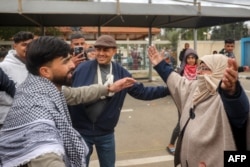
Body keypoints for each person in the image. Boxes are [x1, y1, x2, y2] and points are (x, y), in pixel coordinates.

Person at [0, 36, 136, 167]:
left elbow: (76, 94)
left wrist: (109, 88)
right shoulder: (37, 110)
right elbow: (45, 156)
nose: (72, 65)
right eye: (65, 61)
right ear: (45, 71)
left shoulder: (40, 87)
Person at [69, 35, 169, 167]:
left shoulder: (121, 73)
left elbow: (142, 92)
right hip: (81, 132)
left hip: (106, 132)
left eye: (106, 50)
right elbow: (67, 93)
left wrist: (169, 89)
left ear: (114, 51)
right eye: (98, 49)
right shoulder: (82, 69)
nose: (101, 53)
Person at [148, 46, 249, 167]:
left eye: (205, 68)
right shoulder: (196, 89)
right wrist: (160, 65)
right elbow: (178, 83)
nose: (199, 72)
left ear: (220, 70)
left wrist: (233, 91)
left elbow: (239, 111)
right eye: (199, 67)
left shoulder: (224, 99)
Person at [166, 48, 198, 155]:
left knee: (194, 124)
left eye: (193, 58)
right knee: (181, 123)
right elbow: (176, 85)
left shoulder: (199, 70)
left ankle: (189, 146)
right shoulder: (181, 71)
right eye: (188, 58)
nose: (191, 60)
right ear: (185, 59)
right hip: (182, 101)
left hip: (196, 101)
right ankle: (171, 144)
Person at [0, 31, 34, 127]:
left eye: (30, 45)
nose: (28, 48)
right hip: (6, 121)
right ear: (15, 46)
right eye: (24, 45)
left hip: (30, 120)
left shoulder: (36, 66)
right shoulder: (3, 67)